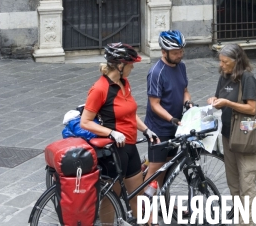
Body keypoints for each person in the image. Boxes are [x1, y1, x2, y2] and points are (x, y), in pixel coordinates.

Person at [80, 42, 158, 221]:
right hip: (114, 150)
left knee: (137, 196)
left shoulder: (124, 82)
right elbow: (85, 122)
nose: (132, 67)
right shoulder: (100, 89)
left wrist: (146, 130)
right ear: (120, 65)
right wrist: (111, 133)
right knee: (110, 199)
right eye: (130, 64)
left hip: (130, 147)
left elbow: (130, 113)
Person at [207, 43, 256, 226]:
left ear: (236, 61)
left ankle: (248, 222)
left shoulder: (247, 78)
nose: (221, 65)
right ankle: (240, 221)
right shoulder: (224, 77)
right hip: (228, 135)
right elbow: (219, 97)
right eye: (220, 61)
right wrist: (214, 100)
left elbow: (252, 108)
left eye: (224, 61)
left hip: (246, 137)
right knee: (233, 183)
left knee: (247, 183)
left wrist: (228, 104)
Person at [143, 30, 192, 185]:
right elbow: (154, 104)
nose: (180, 55)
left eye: (181, 51)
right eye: (176, 52)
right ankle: (144, 206)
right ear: (164, 52)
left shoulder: (181, 66)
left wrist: (188, 103)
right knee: (155, 170)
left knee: (168, 167)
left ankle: (163, 204)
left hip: (175, 128)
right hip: (159, 129)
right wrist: (171, 119)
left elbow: (185, 90)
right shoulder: (156, 73)